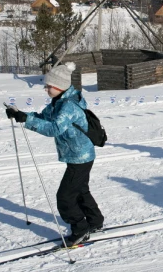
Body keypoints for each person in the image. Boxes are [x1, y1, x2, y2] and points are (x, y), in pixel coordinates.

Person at [6, 62, 104, 246]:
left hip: (80, 156)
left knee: (65, 197)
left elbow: (54, 128)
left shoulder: (68, 106)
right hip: (77, 154)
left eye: (48, 86)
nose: (45, 89)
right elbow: (45, 118)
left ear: (59, 86)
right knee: (80, 190)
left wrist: (27, 121)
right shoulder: (58, 102)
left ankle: (80, 229)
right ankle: (95, 221)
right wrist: (21, 114)